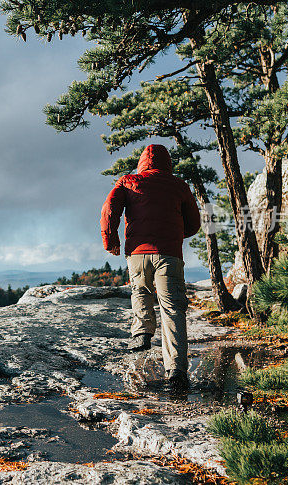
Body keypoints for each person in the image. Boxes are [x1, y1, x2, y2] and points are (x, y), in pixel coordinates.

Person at [100, 144, 201, 393]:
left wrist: (110, 241)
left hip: (137, 253)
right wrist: (176, 235)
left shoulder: (128, 181)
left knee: (140, 291)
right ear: (167, 163)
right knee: (172, 309)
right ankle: (176, 370)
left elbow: (109, 211)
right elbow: (194, 223)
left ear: (142, 162)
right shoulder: (179, 186)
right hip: (169, 255)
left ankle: (142, 333)